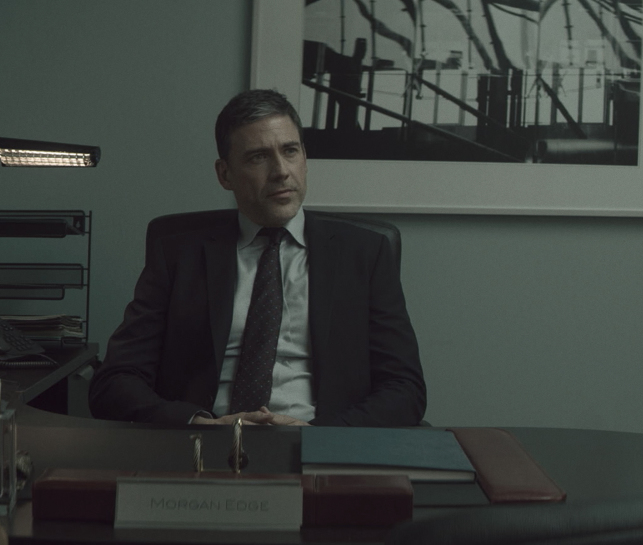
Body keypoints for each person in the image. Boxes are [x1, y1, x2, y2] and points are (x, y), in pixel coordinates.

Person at [89, 89, 426, 427]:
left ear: (304, 158)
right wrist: (200, 424)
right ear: (225, 174)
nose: (281, 171)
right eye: (258, 157)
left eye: (290, 151)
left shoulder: (365, 253)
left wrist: (321, 435)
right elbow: (114, 381)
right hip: (206, 442)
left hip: (320, 443)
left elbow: (405, 389)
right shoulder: (178, 255)